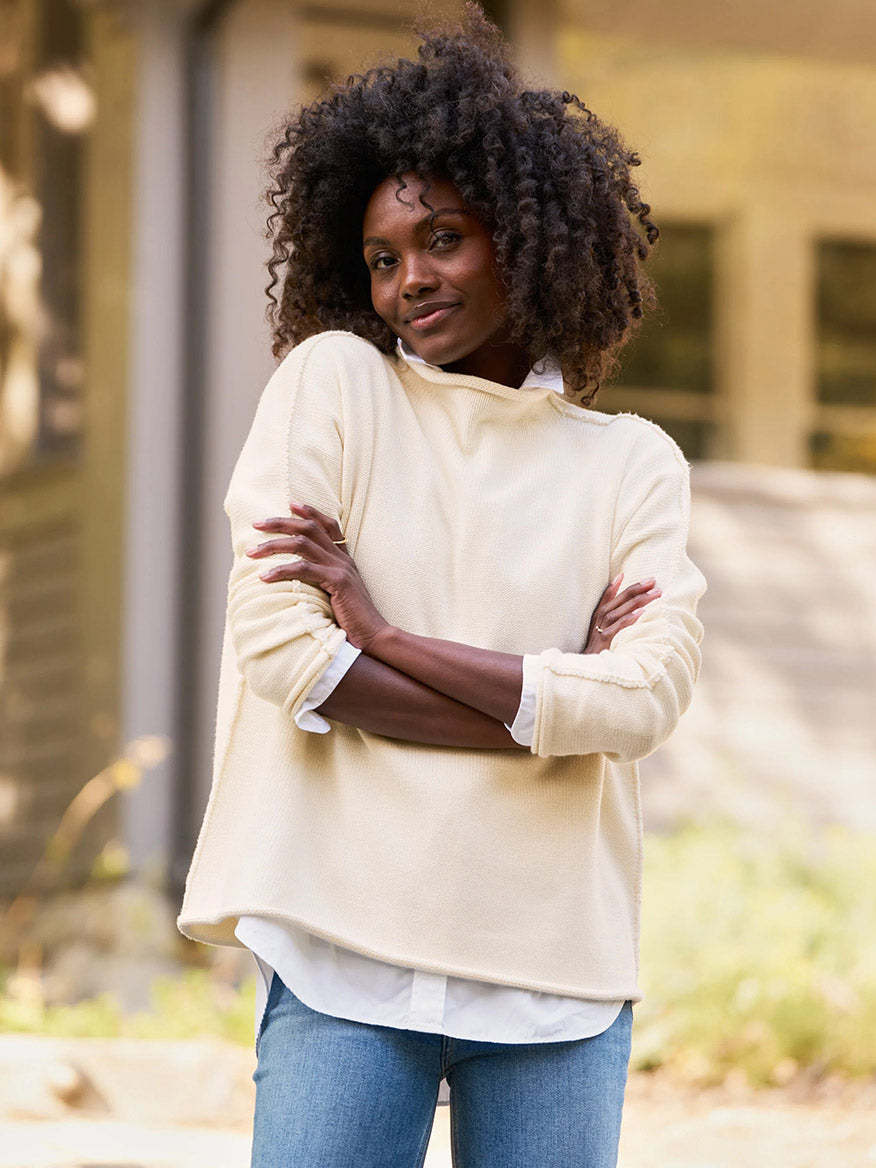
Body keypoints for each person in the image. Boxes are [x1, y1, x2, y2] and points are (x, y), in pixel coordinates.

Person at [178, 9, 706, 1166]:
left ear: (524, 234)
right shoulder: (332, 388)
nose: (409, 279)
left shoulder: (631, 464)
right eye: (380, 258)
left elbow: (646, 702)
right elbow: (282, 651)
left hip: (555, 980)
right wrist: (545, 714)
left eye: (444, 239)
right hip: (343, 953)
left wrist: (380, 635)